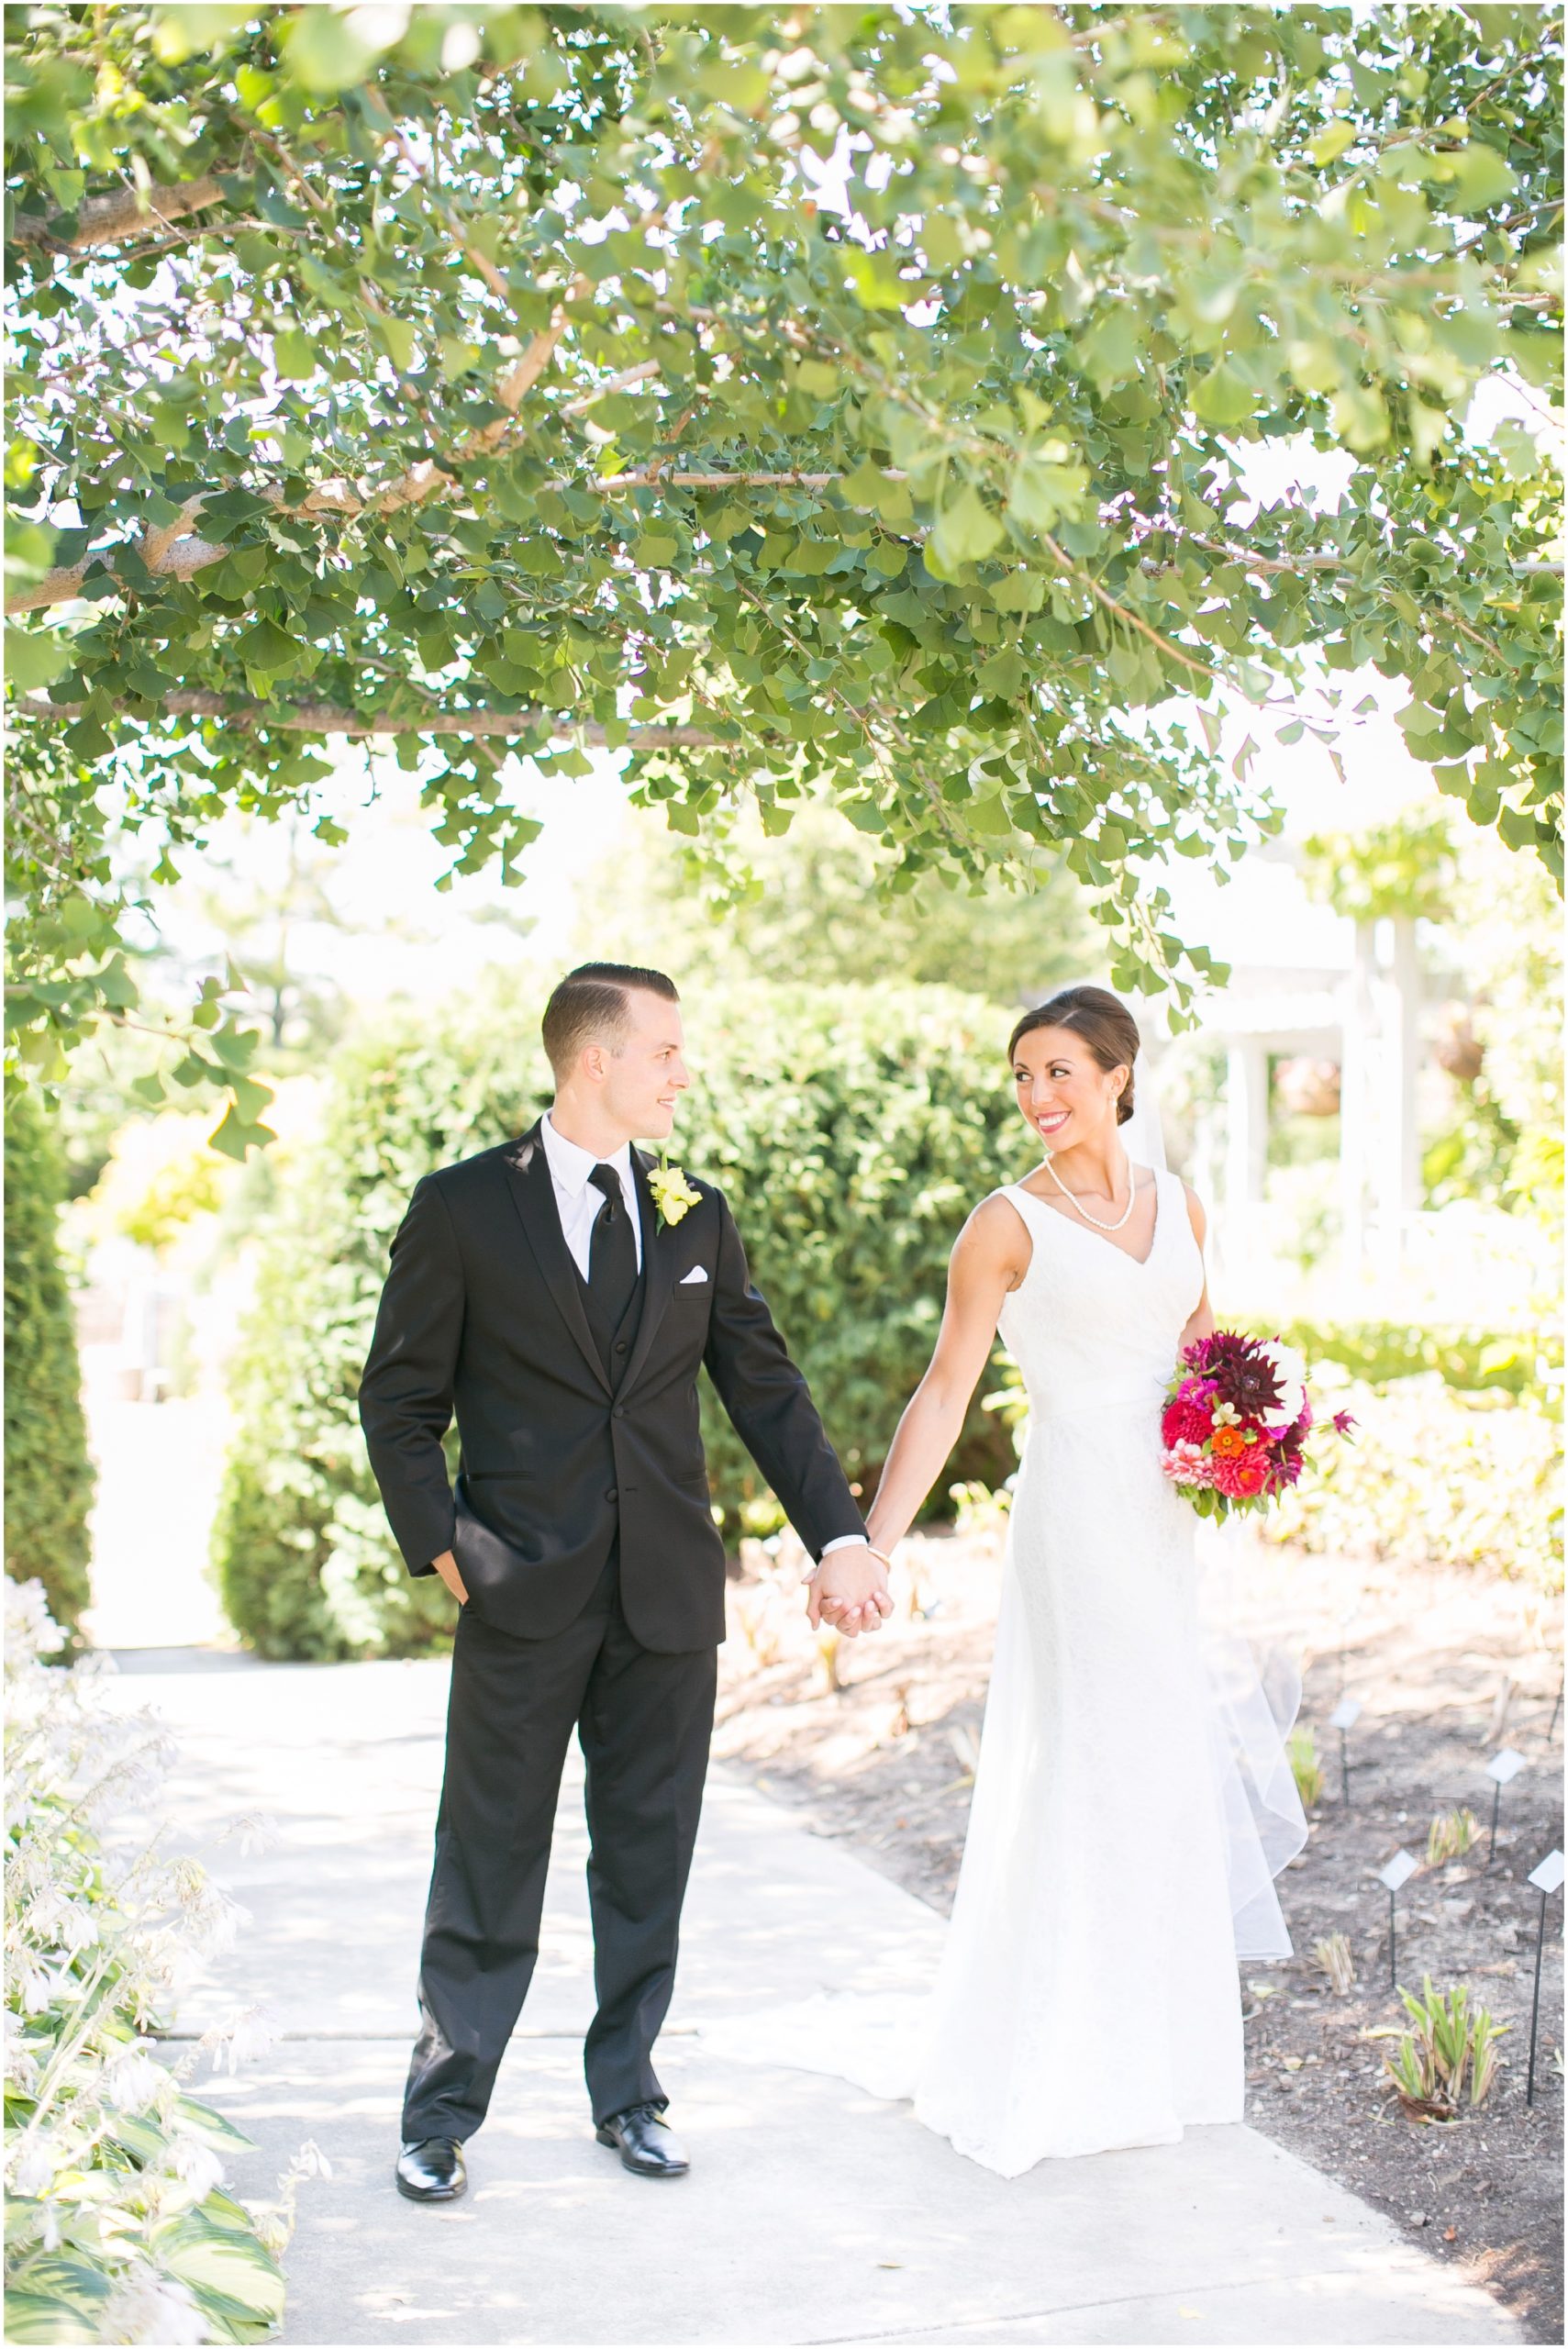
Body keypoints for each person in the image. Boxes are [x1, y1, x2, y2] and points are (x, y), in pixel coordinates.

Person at [358, 963, 892, 2203]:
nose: (680, 1072)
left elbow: (761, 1384)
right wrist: (444, 1543)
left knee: (645, 1854)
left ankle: (630, 2094)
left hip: (663, 1591)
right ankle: (440, 2111)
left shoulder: (695, 1209)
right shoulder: (460, 1210)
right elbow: (397, 1398)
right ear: (593, 1059)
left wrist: (840, 1535)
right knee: (487, 1852)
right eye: (663, 1051)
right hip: (518, 1586)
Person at [799, 984, 1305, 2173]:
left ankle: (1161, 2051)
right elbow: (943, 1389)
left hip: (1160, 1520)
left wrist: (1244, 1441)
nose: (1034, 1096)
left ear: (1116, 1075)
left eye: (1057, 1071)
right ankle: (1067, 2053)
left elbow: (1201, 1355)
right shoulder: (1003, 1224)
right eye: (1021, 1075)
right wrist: (869, 1538)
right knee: (1082, 1755)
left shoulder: (1179, 1203)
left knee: (1155, 1759)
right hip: (1075, 1515)